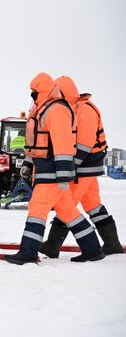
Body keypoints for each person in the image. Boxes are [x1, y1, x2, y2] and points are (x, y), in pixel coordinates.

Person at [4, 72, 104, 265]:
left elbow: (63, 146)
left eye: (34, 91)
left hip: (52, 173)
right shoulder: (42, 109)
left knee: (37, 208)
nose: (32, 95)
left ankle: (28, 252)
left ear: (42, 90)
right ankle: (92, 249)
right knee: (68, 211)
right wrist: (27, 164)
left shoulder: (56, 111)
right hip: (44, 170)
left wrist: (64, 177)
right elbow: (37, 143)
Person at [39, 76, 123, 257]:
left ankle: (53, 245)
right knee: (93, 205)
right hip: (87, 168)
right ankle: (112, 243)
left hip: (84, 168)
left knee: (67, 203)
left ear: (64, 92)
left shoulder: (84, 110)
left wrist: (69, 168)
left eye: (57, 92)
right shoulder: (74, 109)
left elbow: (83, 145)